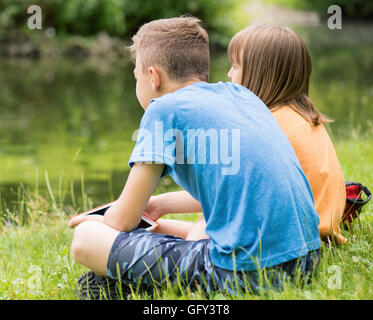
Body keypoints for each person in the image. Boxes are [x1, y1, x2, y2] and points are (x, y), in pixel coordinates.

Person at [68, 17, 321, 300]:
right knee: (182, 231)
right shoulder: (242, 96)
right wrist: (158, 204)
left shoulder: (163, 109)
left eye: (136, 76)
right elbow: (239, 186)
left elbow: (123, 220)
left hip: (246, 273)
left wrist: (98, 223)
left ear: (153, 77)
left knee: (86, 239)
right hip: (305, 260)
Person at [155, 25, 347, 245]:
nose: (228, 73)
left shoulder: (269, 126)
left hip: (293, 240)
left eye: (236, 66)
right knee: (161, 229)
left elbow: (222, 195)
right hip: (313, 233)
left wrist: (160, 203)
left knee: (203, 225)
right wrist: (160, 205)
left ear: (261, 74)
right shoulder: (299, 117)